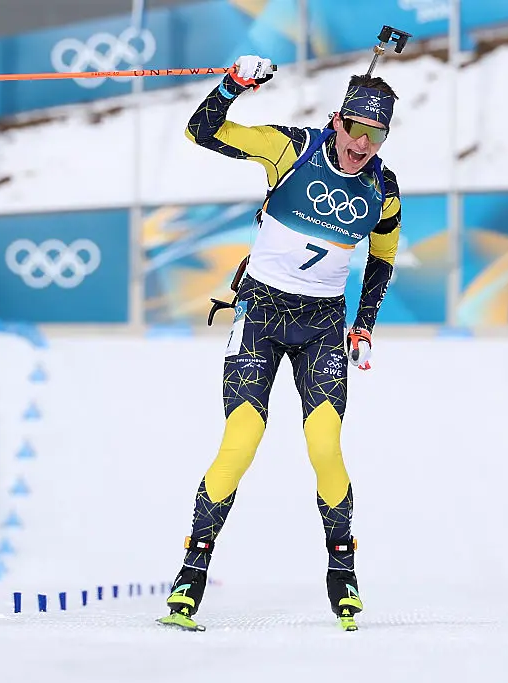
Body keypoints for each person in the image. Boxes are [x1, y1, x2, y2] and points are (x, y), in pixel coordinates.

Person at [159, 55, 402, 631]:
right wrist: (232, 87)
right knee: (241, 439)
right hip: (262, 314)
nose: (362, 145)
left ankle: (342, 572)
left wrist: (364, 322)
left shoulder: (383, 188)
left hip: (321, 325)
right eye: (356, 129)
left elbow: (383, 259)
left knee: (324, 445)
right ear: (337, 120)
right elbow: (203, 131)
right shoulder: (291, 149)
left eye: (377, 134)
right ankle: (191, 575)